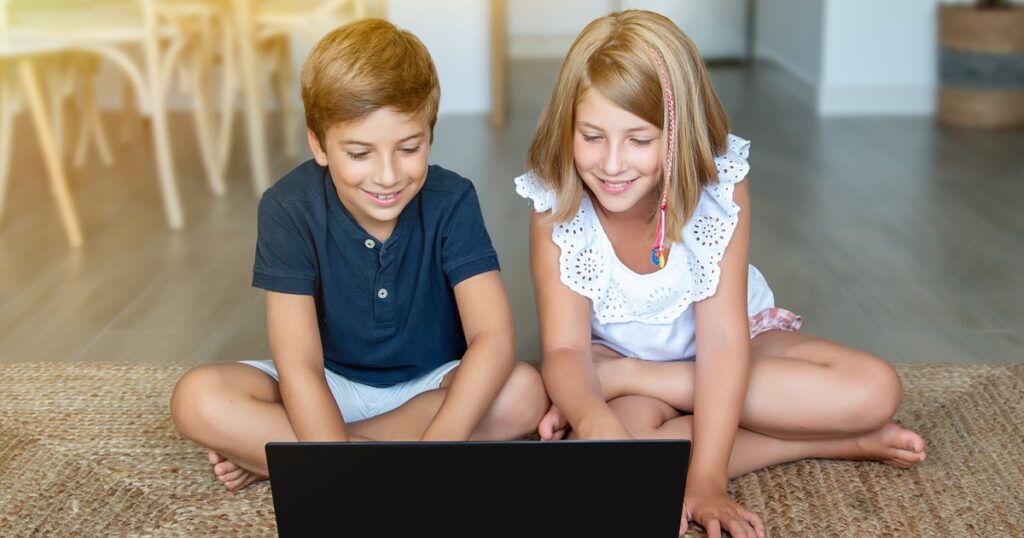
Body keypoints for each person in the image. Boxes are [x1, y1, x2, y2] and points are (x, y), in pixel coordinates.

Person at [516, 10, 925, 538]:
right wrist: (596, 422)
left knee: (874, 390)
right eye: (592, 136)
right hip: (613, 360)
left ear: (678, 134)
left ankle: (687, 414)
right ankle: (822, 439)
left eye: (639, 140)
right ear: (567, 127)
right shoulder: (554, 204)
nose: (612, 164)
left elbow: (726, 339)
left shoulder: (721, 189)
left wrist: (707, 480)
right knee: (611, 459)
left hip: (732, 347)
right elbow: (567, 352)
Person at [170, 18, 548, 491]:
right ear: (318, 144)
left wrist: (439, 451)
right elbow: (300, 364)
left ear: (430, 133)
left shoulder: (453, 199)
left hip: (432, 385)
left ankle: (292, 457)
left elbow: (492, 338)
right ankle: (333, 457)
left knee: (523, 393)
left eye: (409, 148)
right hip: (327, 385)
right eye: (360, 153)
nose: (387, 176)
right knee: (197, 398)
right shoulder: (288, 208)